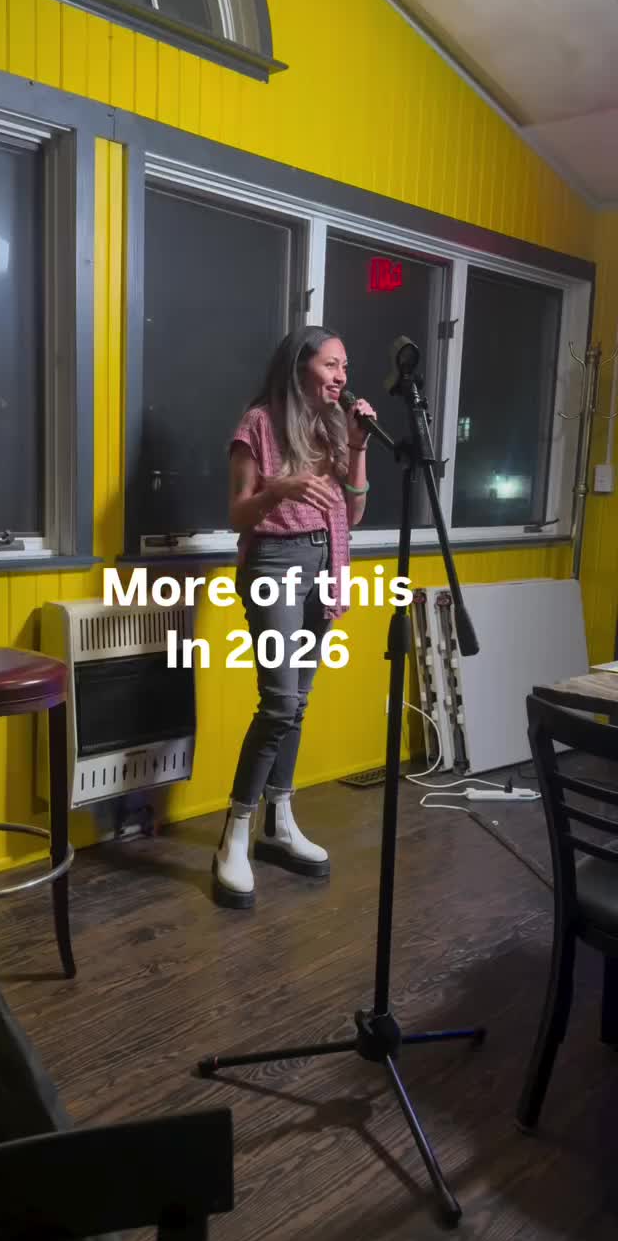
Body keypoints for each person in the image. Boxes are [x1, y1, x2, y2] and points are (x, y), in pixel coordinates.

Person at [213, 325, 377, 909]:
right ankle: (235, 831)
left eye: (345, 366)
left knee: (298, 702)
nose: (341, 376)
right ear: (299, 365)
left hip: (325, 561)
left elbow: (352, 515)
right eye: (331, 364)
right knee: (280, 702)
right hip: (275, 562)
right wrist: (279, 488)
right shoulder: (257, 424)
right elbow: (238, 514)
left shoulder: (333, 427)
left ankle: (279, 822)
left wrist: (357, 445)